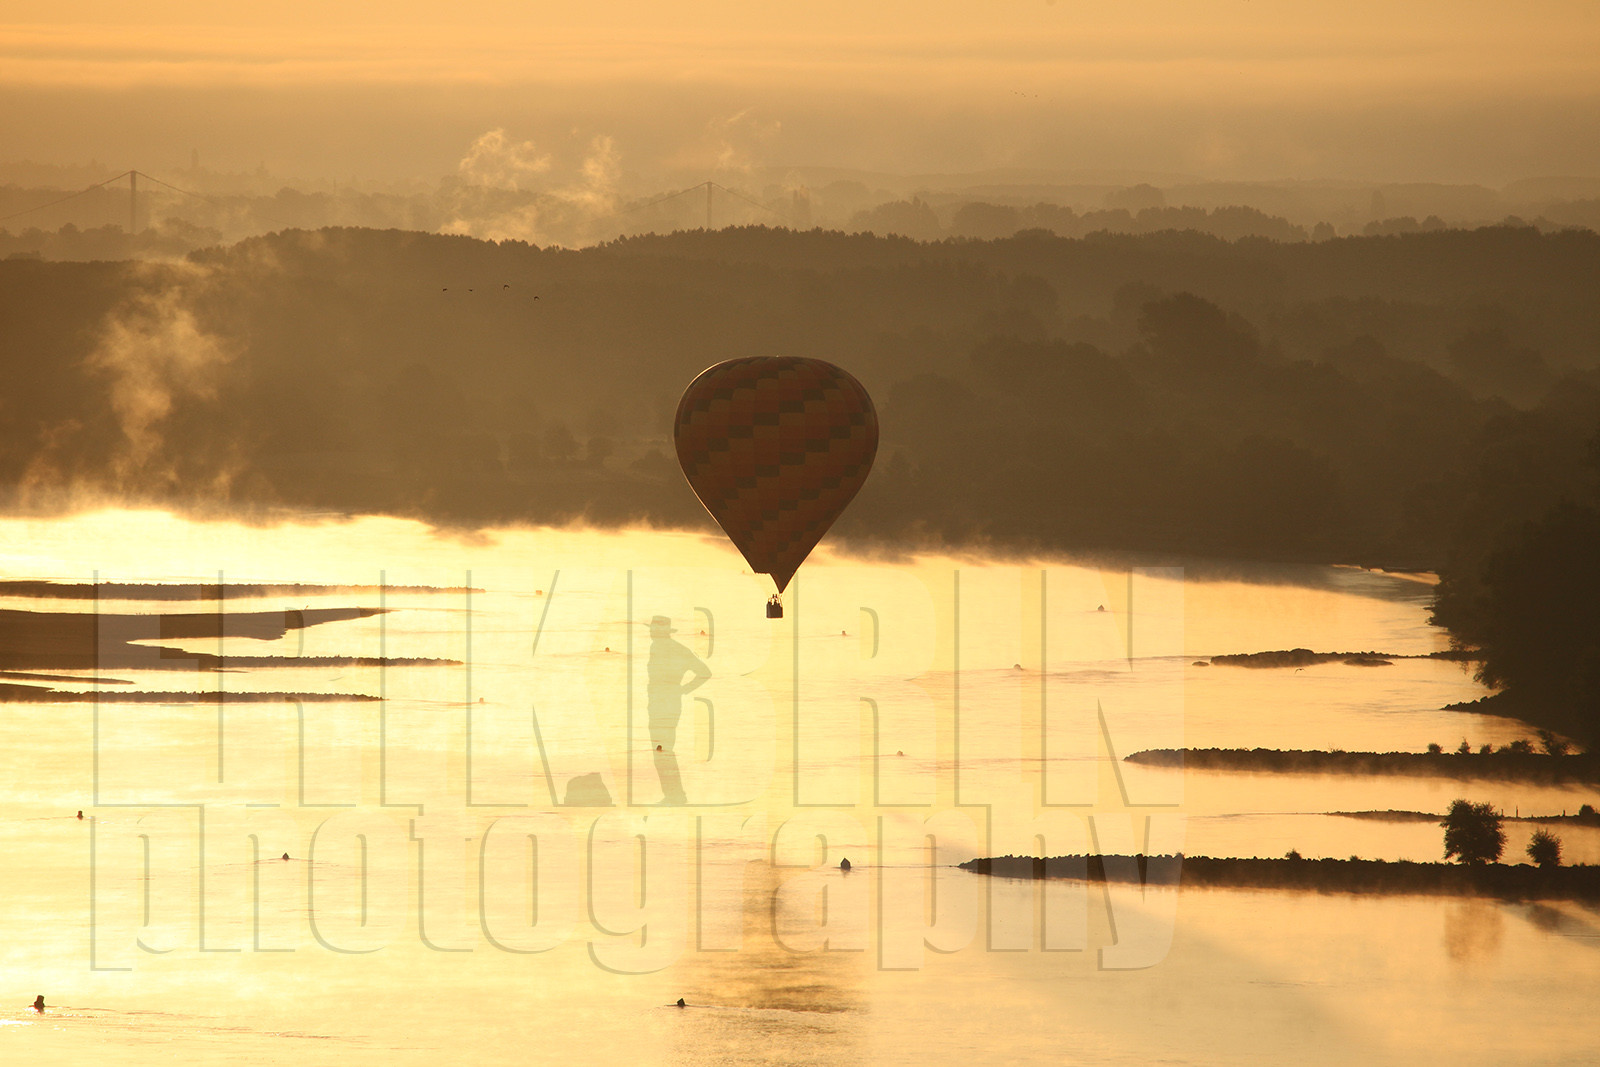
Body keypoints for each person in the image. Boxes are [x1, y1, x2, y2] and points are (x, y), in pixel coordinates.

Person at [646, 615, 710, 806]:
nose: (650, 633)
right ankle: (673, 795)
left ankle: (675, 796)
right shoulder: (658, 647)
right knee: (661, 749)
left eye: (653, 630)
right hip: (660, 703)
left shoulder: (674, 649)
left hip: (665, 704)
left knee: (662, 749)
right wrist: (681, 690)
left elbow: (705, 672)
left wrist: (682, 689)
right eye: (651, 629)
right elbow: (704, 673)